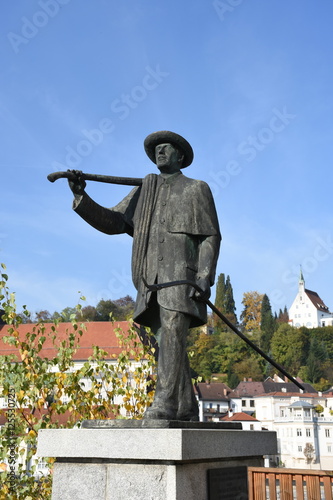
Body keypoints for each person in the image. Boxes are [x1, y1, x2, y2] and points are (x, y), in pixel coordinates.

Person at [68, 131, 221, 421]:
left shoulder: (196, 189)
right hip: (149, 281)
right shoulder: (144, 191)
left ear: (180, 156)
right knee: (165, 340)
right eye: (157, 150)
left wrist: (204, 277)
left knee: (173, 331)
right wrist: (81, 195)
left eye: (166, 148)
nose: (160, 153)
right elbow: (114, 221)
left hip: (181, 280)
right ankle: (187, 406)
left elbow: (211, 237)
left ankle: (164, 402)